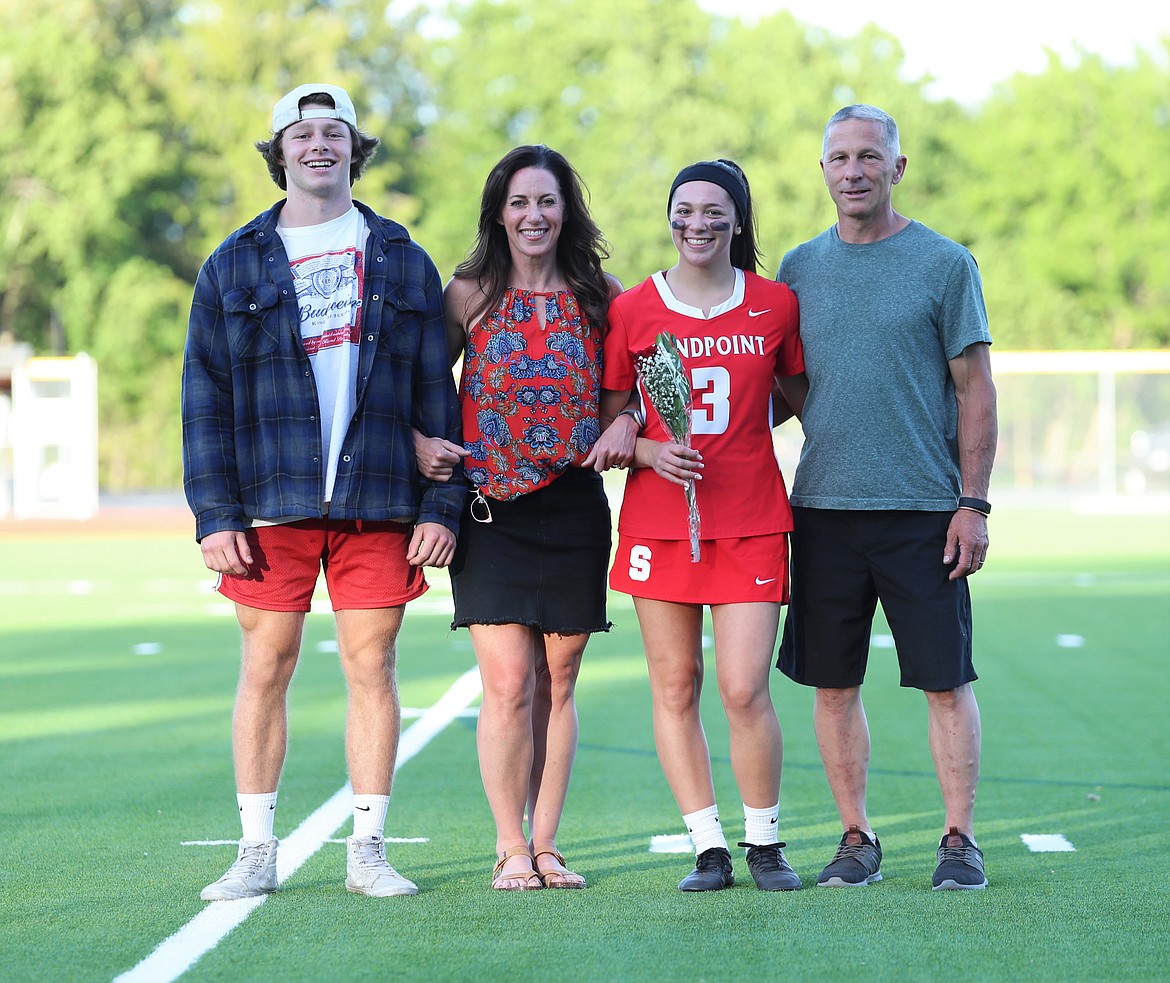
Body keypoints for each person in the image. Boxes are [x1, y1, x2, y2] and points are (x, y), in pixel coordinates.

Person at [181, 83, 463, 901]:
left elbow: (433, 393)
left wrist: (443, 505)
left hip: (377, 497)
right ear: (280, 153)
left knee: (372, 665)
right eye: (301, 134)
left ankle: (368, 847)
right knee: (266, 663)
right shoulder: (232, 262)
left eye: (333, 133)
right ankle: (255, 848)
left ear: (354, 148)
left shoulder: (402, 256)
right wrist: (215, 514)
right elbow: (205, 398)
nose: (318, 145)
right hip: (270, 503)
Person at [776, 104, 998, 890]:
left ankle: (959, 839)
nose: (854, 170)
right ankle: (856, 838)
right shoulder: (798, 270)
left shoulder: (945, 264)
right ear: (825, 169)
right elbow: (783, 387)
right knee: (833, 684)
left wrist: (973, 502)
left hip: (925, 512)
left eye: (870, 156)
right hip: (824, 512)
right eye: (839, 157)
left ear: (896, 168)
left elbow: (976, 390)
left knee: (945, 679)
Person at [586, 159, 808, 892]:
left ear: (738, 220)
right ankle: (707, 843)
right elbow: (612, 412)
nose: (698, 223)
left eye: (715, 211)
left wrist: (742, 438)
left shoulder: (775, 303)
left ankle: (765, 841)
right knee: (675, 683)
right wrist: (649, 446)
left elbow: (797, 394)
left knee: (744, 687)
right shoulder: (636, 309)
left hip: (748, 518)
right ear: (670, 216)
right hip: (659, 521)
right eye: (685, 210)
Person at [415, 145, 622, 890]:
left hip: (572, 507)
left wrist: (622, 422)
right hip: (489, 508)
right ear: (498, 212)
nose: (533, 216)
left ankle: (546, 843)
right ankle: (508, 846)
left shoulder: (601, 295)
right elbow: (422, 383)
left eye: (547, 201)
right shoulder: (468, 292)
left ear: (566, 209)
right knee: (507, 682)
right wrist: (418, 439)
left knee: (557, 682)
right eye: (519, 202)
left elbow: (626, 388)